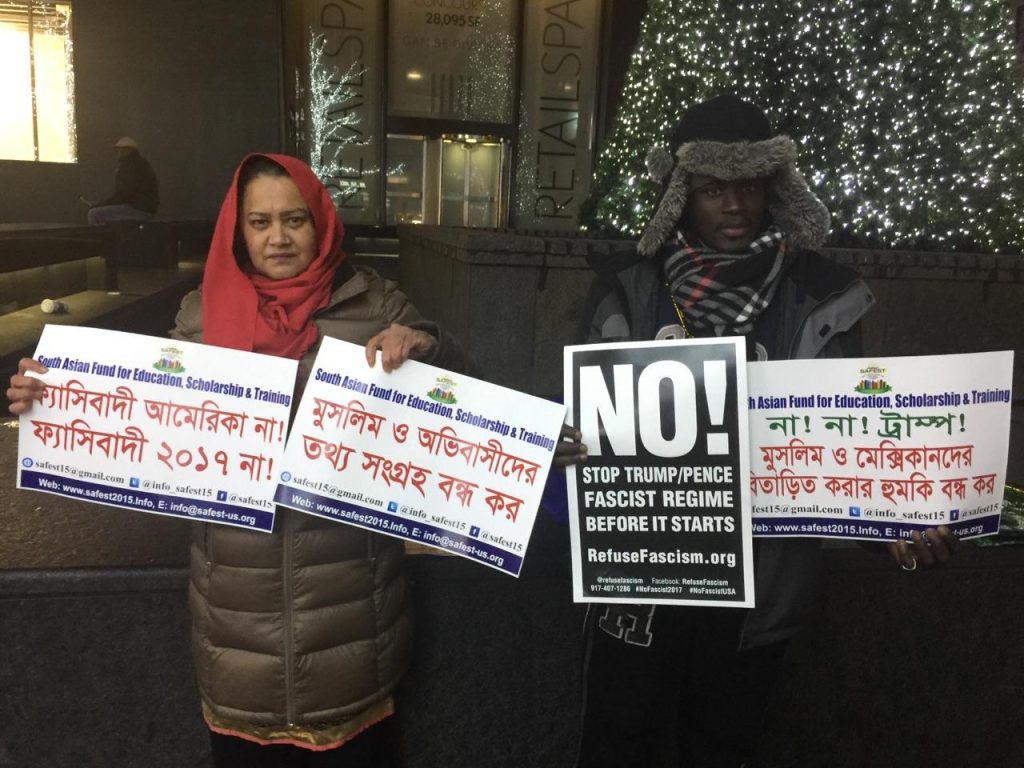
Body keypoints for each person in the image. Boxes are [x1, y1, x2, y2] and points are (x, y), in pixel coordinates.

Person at [10, 153, 468, 767]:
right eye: (259, 222)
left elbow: (466, 395)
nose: (278, 237)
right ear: (238, 230)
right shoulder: (199, 316)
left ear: (322, 223)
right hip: (235, 639)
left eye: (294, 219)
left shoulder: (377, 306)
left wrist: (426, 346)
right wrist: (55, 397)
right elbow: (146, 417)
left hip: (353, 633)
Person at [555, 95, 960, 768]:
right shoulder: (625, 289)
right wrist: (562, 438)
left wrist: (899, 514)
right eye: (714, 189)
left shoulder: (821, 296)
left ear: (774, 188)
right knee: (616, 745)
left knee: (723, 750)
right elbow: (574, 418)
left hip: (759, 592)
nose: (735, 205)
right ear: (682, 196)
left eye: (749, 185)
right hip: (641, 587)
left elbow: (853, 438)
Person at [85, 136, 159, 225]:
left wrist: (101, 204)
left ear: (128, 150)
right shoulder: (140, 163)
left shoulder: (130, 166)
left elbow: (123, 195)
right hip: (144, 209)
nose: (118, 152)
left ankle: (102, 234)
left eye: (121, 149)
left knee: (94, 214)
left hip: (138, 210)